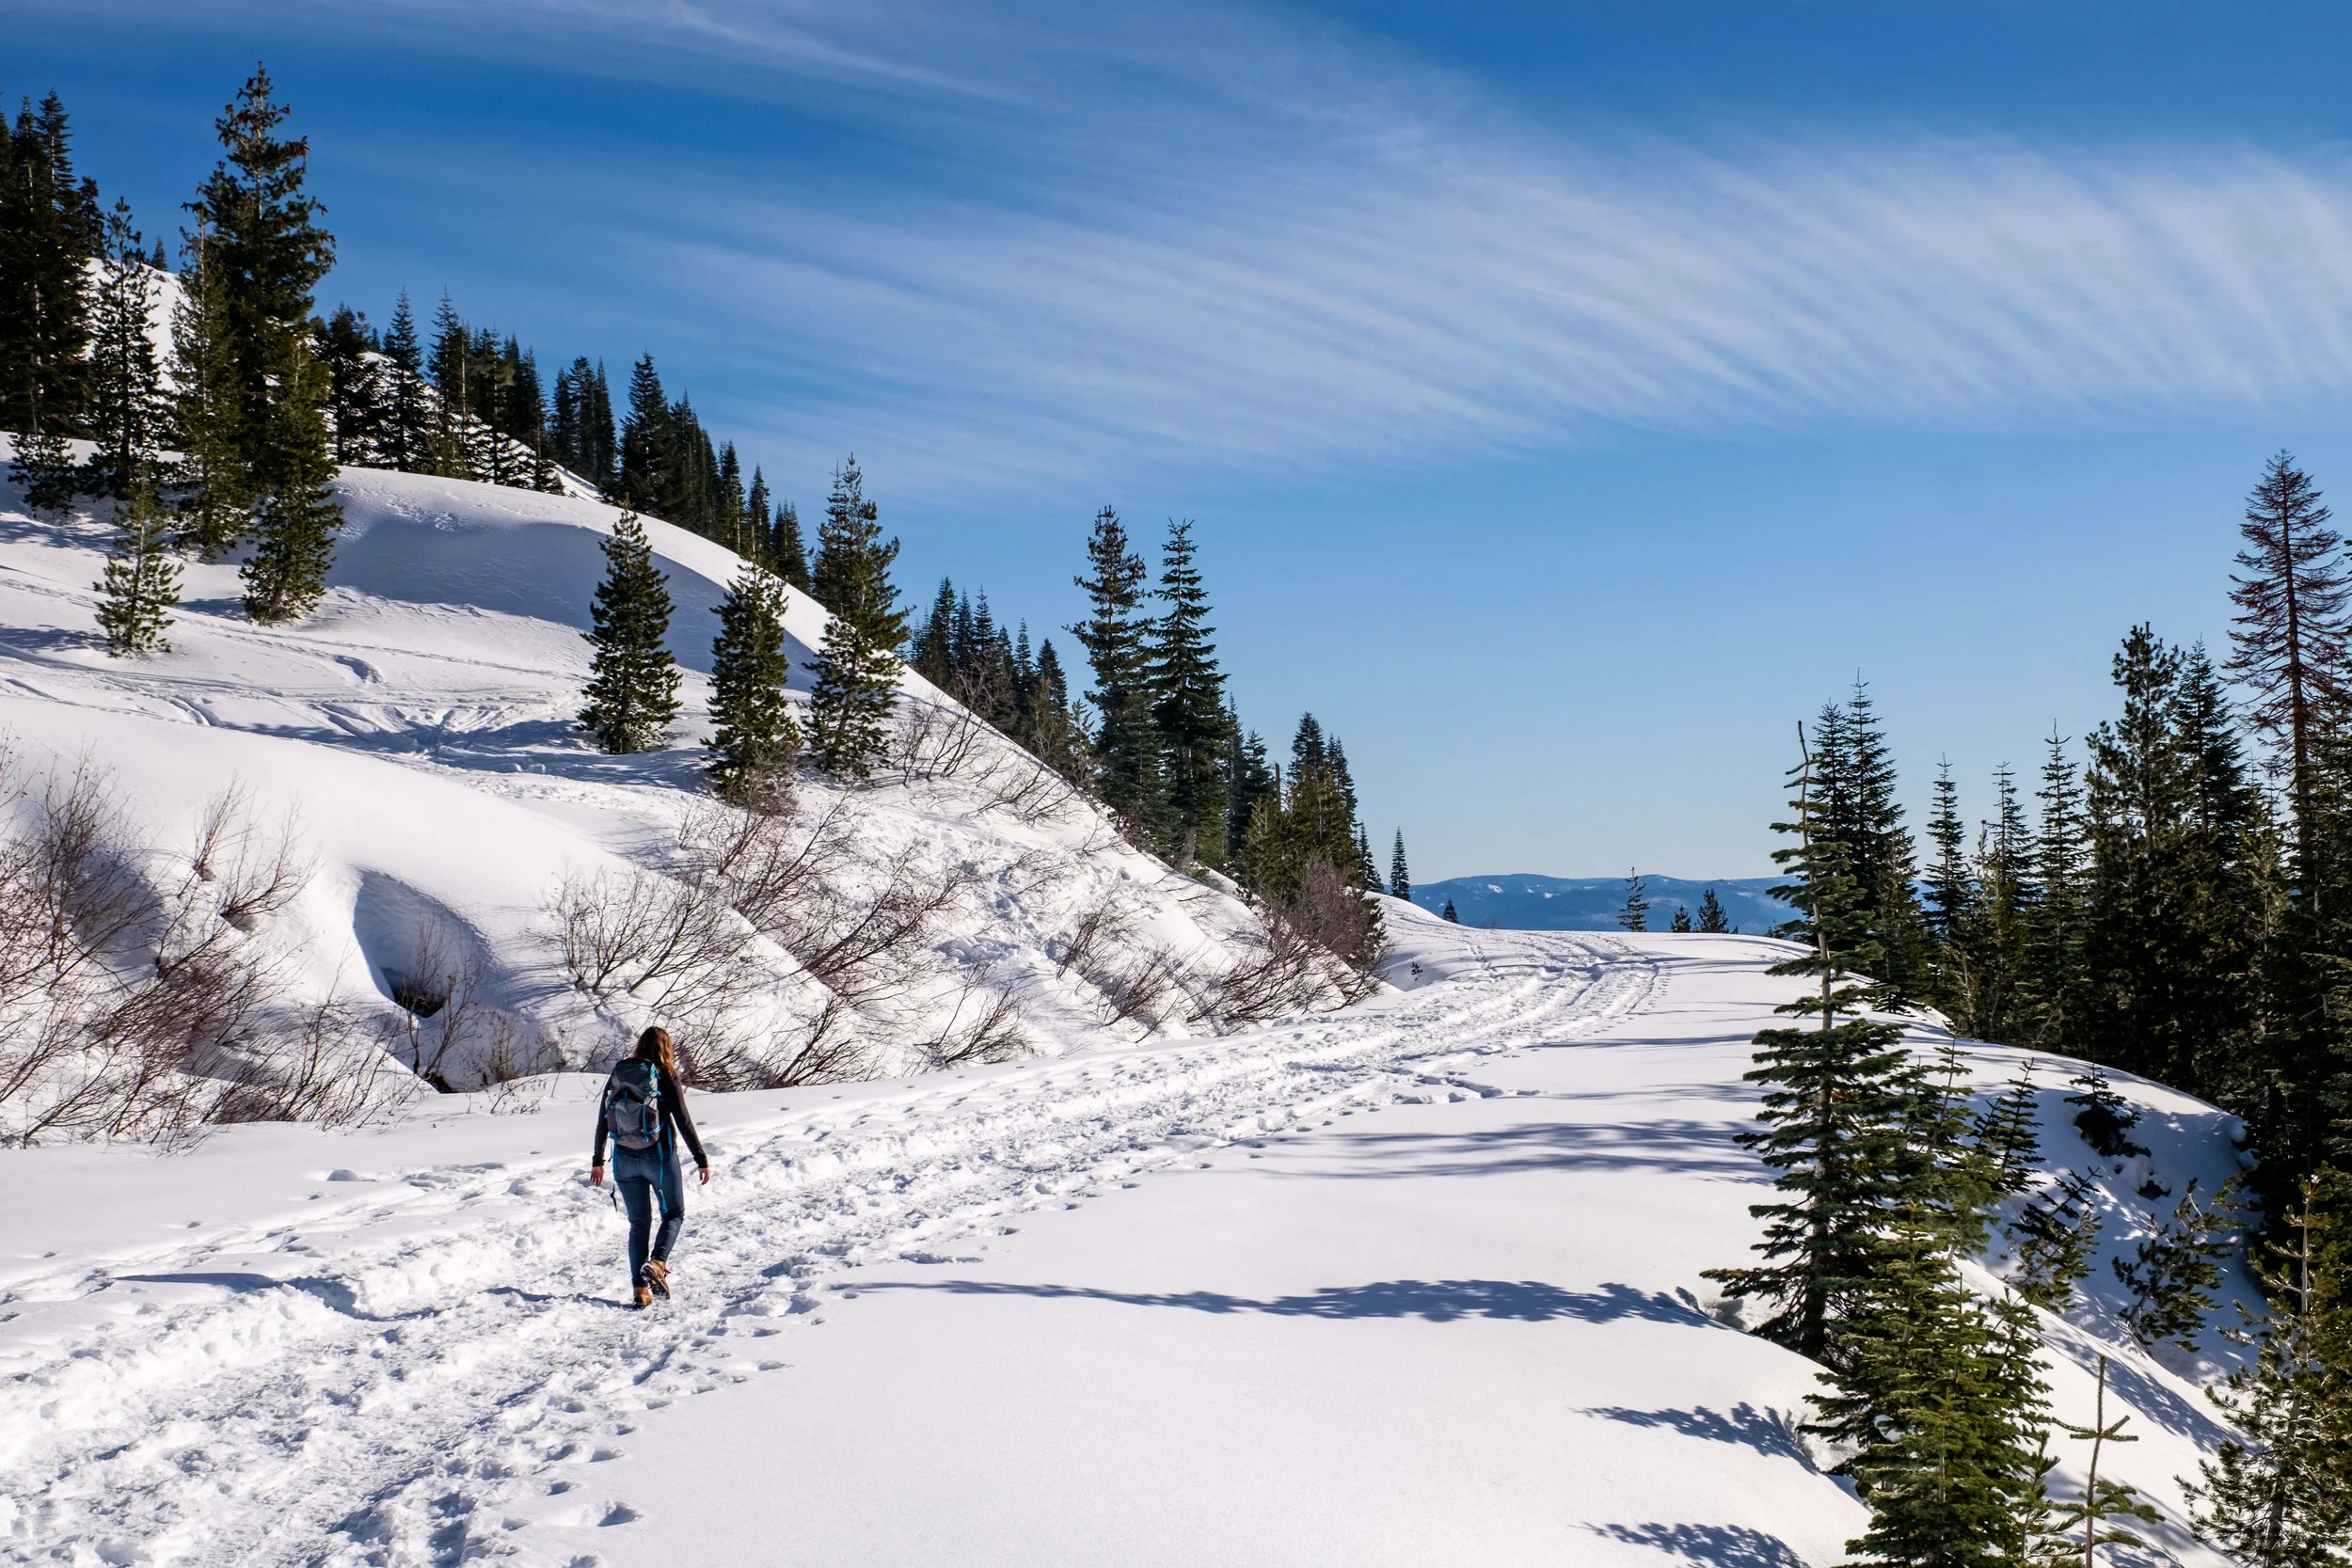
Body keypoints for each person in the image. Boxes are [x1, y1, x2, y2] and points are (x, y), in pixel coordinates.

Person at [589, 1026, 711, 1307]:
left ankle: (639, 1291)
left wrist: (597, 1161)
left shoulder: (620, 1074)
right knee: (674, 1213)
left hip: (623, 1158)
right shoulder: (666, 1075)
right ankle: (657, 1262)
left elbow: (602, 1119)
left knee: (638, 1224)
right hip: (658, 1156)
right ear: (667, 1048)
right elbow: (682, 1119)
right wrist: (701, 1158)